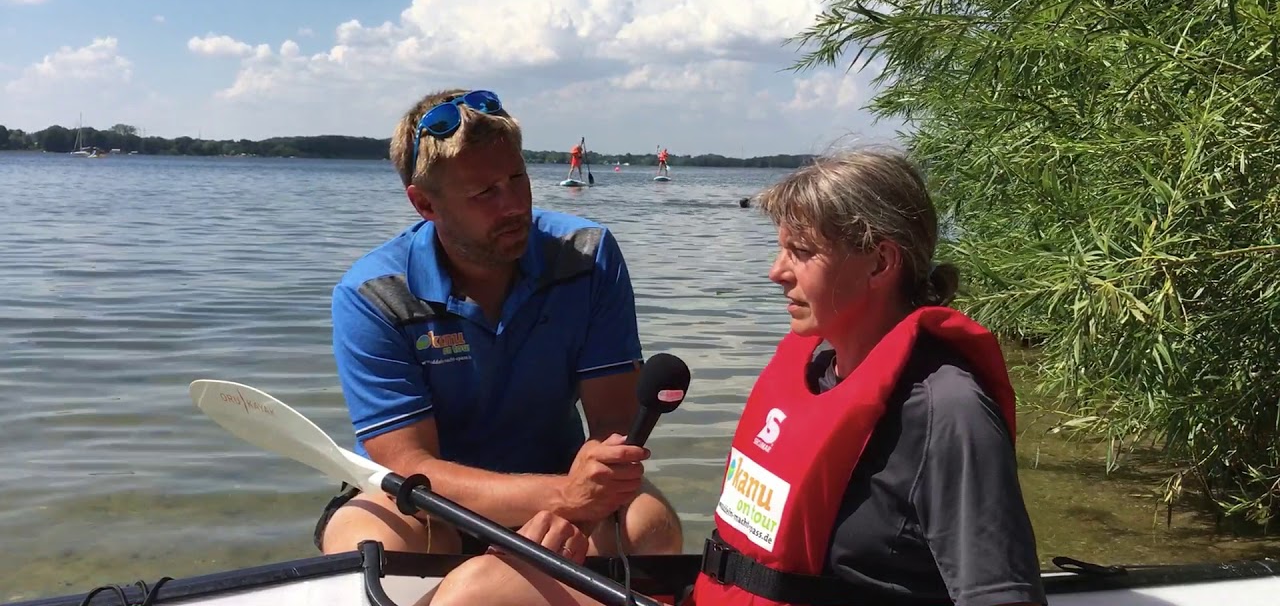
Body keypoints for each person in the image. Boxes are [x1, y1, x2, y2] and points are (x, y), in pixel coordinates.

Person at [427, 146, 1047, 606]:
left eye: (801, 253)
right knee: (479, 591)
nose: (776, 272)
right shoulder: (815, 367)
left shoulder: (947, 408)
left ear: (881, 261)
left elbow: (1001, 595)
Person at [314, 88, 683, 559]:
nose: (513, 205)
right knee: (372, 545)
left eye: (517, 177)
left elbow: (612, 425)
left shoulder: (586, 256)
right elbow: (409, 465)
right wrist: (559, 495)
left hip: (559, 482)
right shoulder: (373, 294)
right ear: (425, 205)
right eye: (485, 192)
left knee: (648, 527)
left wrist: (575, 505)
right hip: (420, 503)